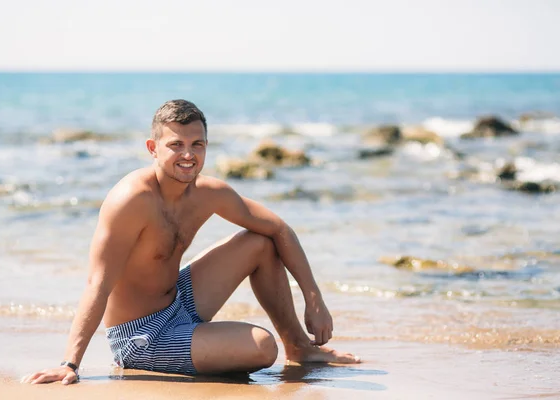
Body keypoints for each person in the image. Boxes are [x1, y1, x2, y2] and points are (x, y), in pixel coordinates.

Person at [22, 99, 360, 385]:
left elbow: (279, 228)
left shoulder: (208, 193)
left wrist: (313, 298)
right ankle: (221, 346)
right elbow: (98, 282)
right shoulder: (131, 200)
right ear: (153, 149)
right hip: (142, 336)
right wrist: (70, 363)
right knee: (261, 348)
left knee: (260, 240)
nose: (188, 155)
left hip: (179, 299)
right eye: (176, 145)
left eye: (196, 144)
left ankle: (299, 346)